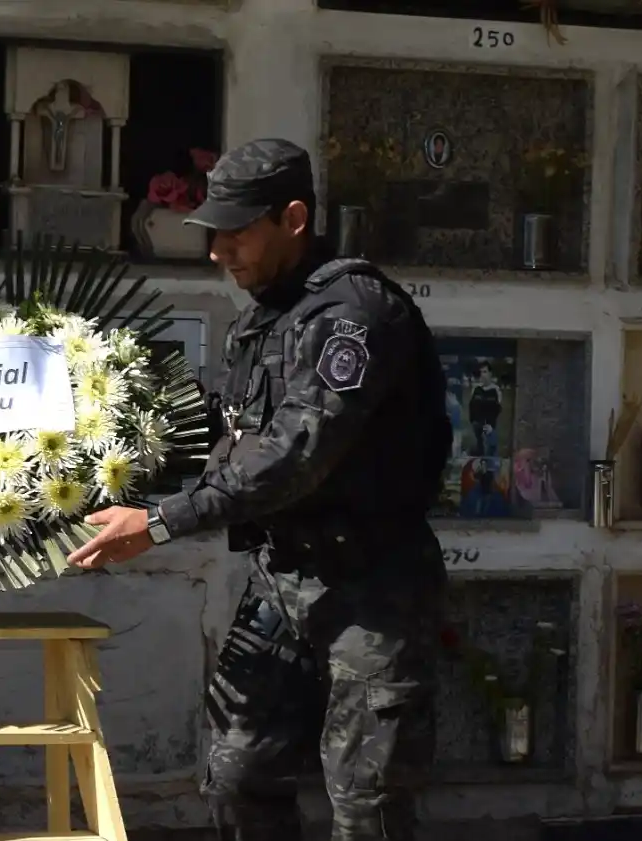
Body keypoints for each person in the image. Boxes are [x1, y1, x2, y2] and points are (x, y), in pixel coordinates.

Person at [66, 138, 453, 841]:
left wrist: (155, 523)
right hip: (279, 584)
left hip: (370, 587)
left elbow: (291, 456)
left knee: (367, 804)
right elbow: (226, 436)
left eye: (237, 231)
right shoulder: (263, 318)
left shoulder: (357, 315)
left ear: (294, 218)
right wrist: (85, 446)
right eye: (212, 232)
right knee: (237, 775)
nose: (218, 250)